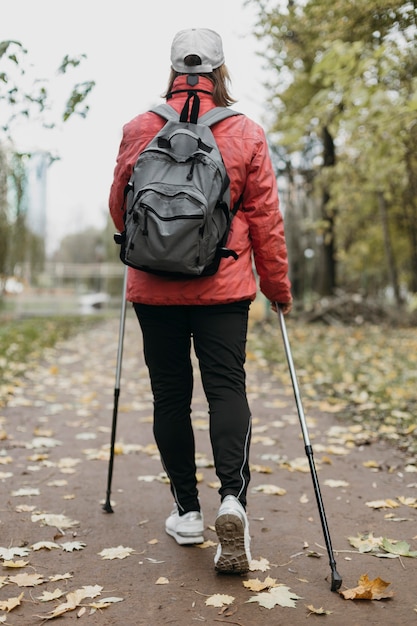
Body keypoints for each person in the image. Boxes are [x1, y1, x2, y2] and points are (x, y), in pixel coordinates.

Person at [109, 28, 292, 574]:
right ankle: (232, 500)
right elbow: (266, 223)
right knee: (225, 389)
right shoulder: (245, 132)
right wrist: (277, 288)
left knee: (170, 395)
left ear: (174, 71)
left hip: (154, 288)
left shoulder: (140, 127)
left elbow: (121, 206)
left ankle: (187, 512)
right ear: (219, 73)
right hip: (225, 286)